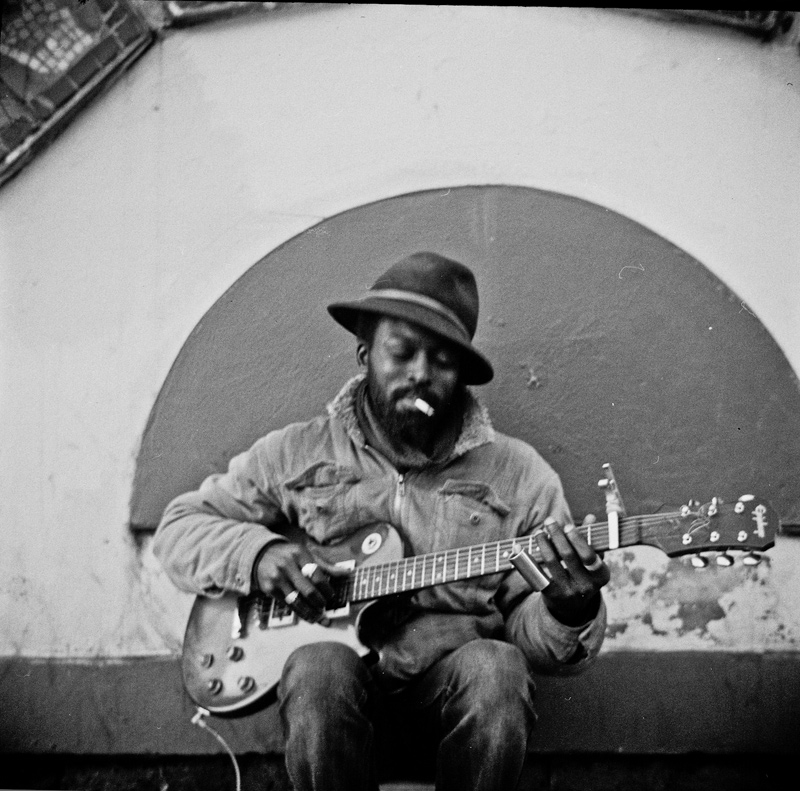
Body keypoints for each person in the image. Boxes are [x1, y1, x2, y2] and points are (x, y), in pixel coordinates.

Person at [153, 251, 610, 791]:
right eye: (402, 352)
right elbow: (180, 528)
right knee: (319, 667)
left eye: (442, 361)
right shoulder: (296, 452)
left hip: (454, 703)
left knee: (496, 667)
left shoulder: (520, 475)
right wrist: (259, 556)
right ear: (365, 354)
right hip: (338, 707)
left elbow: (539, 646)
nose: (421, 374)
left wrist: (569, 609)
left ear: (462, 377)